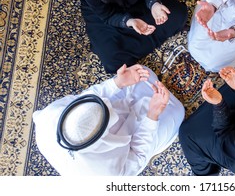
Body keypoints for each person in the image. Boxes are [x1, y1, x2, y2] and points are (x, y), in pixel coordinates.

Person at [33, 64, 185, 176]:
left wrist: (118, 83)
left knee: (143, 72)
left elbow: (90, 95)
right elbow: (138, 154)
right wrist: (153, 115)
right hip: (127, 147)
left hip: (105, 107)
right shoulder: (106, 175)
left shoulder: (51, 113)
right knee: (177, 111)